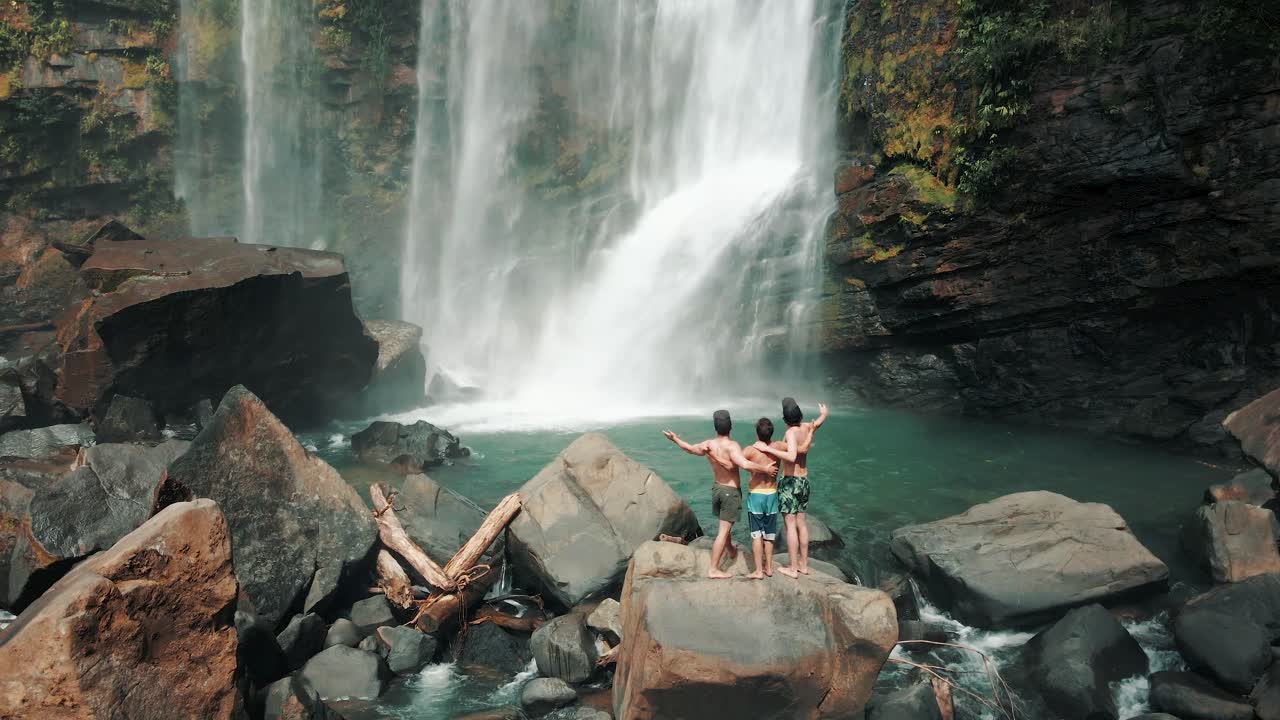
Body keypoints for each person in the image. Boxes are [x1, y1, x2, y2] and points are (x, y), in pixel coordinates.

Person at [663, 410, 776, 579]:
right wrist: (765, 468)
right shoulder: (732, 447)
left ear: (715, 427)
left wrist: (675, 439)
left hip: (717, 489)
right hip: (730, 492)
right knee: (723, 531)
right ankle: (713, 568)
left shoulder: (708, 444)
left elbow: (690, 449)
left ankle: (730, 550)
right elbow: (744, 464)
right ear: (730, 426)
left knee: (725, 525)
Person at [757, 397, 828, 578]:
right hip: (804, 481)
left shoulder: (790, 433)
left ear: (784, 419)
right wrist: (823, 414)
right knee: (802, 524)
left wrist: (769, 450)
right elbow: (817, 423)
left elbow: (791, 455)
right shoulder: (805, 427)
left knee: (790, 526)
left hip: (790, 482)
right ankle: (804, 565)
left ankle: (793, 568)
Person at [743, 417, 781, 579]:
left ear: (756, 433)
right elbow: (798, 449)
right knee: (770, 534)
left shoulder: (750, 451)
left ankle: (759, 571)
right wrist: (812, 427)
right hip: (772, 494)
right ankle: (769, 568)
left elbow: (735, 461)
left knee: (756, 534)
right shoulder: (778, 447)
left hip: (756, 494)